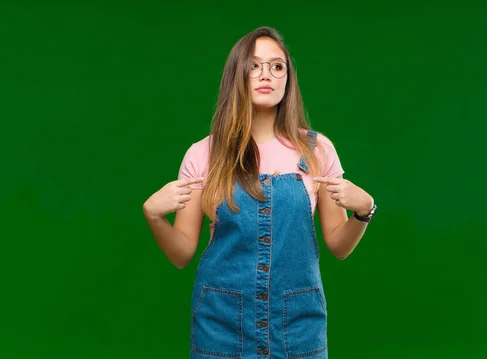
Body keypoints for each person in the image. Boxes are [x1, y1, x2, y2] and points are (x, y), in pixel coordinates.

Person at [142, 26, 377, 359]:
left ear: (288, 78)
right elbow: (181, 253)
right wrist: (153, 216)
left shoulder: (317, 150)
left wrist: (364, 210)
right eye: (254, 65)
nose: (266, 74)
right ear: (237, 74)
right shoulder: (204, 154)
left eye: (277, 66)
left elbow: (338, 245)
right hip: (223, 325)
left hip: (297, 324)